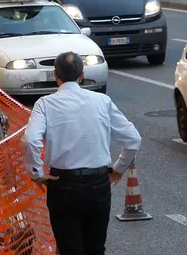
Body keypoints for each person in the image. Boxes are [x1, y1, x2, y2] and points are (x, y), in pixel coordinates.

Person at [22, 51, 142, 255]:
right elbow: (133, 139)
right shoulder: (102, 101)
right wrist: (119, 168)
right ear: (82, 74)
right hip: (98, 184)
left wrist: (36, 173)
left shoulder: (45, 104)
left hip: (62, 184)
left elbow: (31, 139)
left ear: (55, 75)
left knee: (70, 248)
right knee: (96, 248)